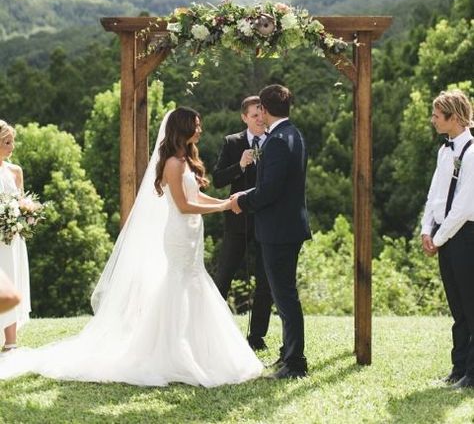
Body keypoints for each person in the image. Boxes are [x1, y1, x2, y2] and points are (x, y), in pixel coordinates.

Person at [0, 107, 263, 386]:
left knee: (193, 285)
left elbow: (196, 195)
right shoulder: (173, 163)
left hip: (192, 233)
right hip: (179, 234)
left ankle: (195, 349)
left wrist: (225, 201)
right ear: (183, 128)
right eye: (196, 125)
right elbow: (184, 205)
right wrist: (225, 206)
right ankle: (170, 351)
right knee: (180, 285)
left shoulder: (185, 159)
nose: (200, 130)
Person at [231, 84, 311, 379]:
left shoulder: (277, 140)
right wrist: (248, 195)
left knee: (285, 296)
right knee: (285, 295)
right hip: (287, 227)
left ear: (264, 110)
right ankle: (289, 354)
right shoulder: (293, 134)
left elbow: (271, 191)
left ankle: (294, 362)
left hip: (279, 230)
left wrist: (241, 200)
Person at [421, 89, 474, 389]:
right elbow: (435, 196)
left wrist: (438, 238)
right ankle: (459, 368)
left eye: (437, 116)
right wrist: (426, 230)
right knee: (457, 307)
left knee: (471, 305)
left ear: (454, 118)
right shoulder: (444, 151)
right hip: (444, 236)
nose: (432, 120)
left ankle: (473, 373)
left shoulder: (472, 152)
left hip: (465, 236)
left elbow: (464, 206)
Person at [213, 96, 272, 351]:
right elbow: (217, 180)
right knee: (224, 275)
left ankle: (257, 337)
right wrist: (239, 165)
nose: (260, 119)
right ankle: (211, 330)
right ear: (244, 118)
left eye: (263, 114)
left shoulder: (275, 141)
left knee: (265, 281)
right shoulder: (232, 142)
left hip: (267, 221)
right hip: (237, 221)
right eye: (255, 115)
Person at [0, 120, 31, 351]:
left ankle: (11, 343)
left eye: (12, 141)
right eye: (7, 142)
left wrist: (28, 212)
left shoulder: (15, 171)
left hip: (11, 238)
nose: (12, 147)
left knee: (10, 280)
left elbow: (21, 202)